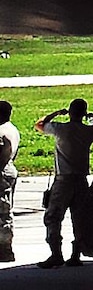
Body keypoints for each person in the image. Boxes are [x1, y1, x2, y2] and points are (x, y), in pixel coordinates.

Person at [36, 98, 93, 268]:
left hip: (63, 180)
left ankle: (56, 254)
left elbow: (40, 125)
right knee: (79, 217)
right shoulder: (87, 131)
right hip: (81, 179)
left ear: (70, 111)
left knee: (53, 216)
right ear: (84, 113)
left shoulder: (61, 129)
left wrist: (57, 113)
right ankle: (76, 255)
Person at [0, 101, 18, 262]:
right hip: (9, 170)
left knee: (3, 212)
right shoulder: (12, 129)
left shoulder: (1, 131)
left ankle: (5, 250)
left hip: (2, 172)